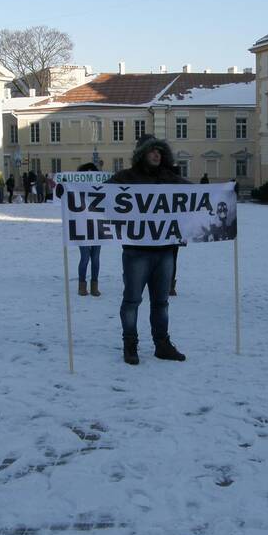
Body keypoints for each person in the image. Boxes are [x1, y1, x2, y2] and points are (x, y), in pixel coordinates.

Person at [107, 134, 190, 364]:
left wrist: (225, 192)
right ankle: (130, 344)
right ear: (141, 153)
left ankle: (162, 344)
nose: (156, 154)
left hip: (165, 251)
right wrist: (69, 193)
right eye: (152, 150)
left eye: (159, 151)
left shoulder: (171, 179)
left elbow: (199, 197)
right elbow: (99, 198)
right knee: (132, 300)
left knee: (161, 302)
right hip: (136, 251)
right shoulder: (125, 178)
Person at [76, 162, 102, 297]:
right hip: (82, 227)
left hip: (97, 227)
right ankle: (82, 285)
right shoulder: (77, 188)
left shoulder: (100, 188)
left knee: (96, 258)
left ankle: (94, 285)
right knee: (85, 257)